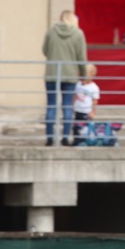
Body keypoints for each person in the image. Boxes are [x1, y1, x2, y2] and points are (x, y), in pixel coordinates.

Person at [42, 11, 87, 147]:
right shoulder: (78, 33)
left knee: (51, 106)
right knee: (67, 106)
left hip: (52, 74)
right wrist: (84, 75)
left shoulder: (51, 31)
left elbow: (45, 50)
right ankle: (65, 138)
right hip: (70, 75)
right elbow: (81, 56)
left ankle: (50, 138)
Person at [72, 64, 100, 146]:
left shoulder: (94, 87)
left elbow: (95, 101)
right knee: (76, 126)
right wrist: (72, 106)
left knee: (85, 127)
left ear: (92, 75)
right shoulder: (78, 84)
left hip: (86, 112)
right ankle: (76, 141)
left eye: (86, 72)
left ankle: (84, 141)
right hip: (78, 110)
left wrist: (93, 112)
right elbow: (74, 96)